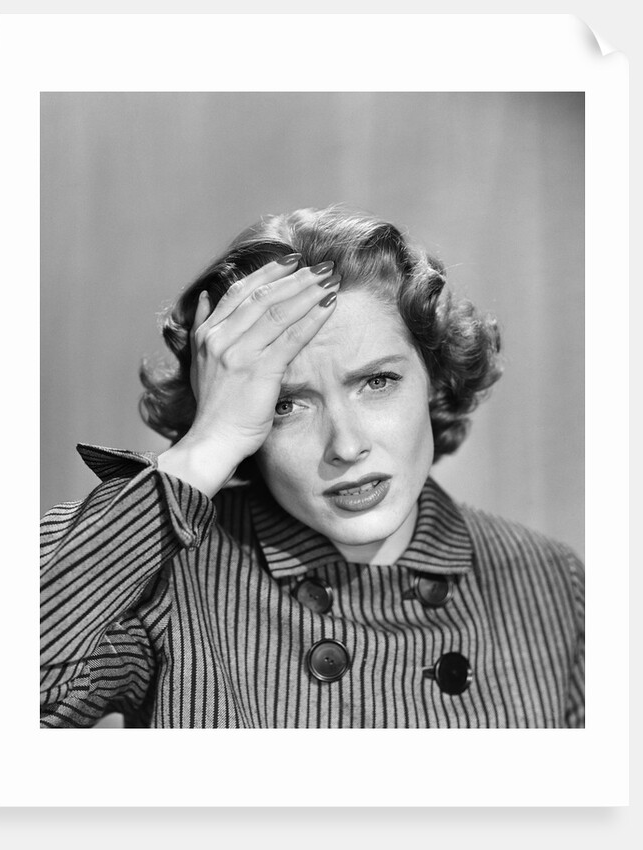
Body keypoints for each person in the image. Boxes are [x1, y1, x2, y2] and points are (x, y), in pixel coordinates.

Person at [40, 206, 584, 729]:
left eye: (377, 382)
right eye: (287, 404)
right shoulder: (169, 580)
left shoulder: (547, 581)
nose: (346, 446)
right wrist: (206, 445)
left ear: (435, 379)